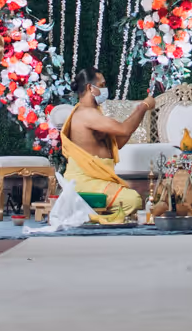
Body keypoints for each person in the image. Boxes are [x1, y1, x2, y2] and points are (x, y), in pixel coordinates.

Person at [59, 68, 151, 222]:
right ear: (90, 88)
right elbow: (124, 129)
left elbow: (118, 143)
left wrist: (136, 117)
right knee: (133, 200)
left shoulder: (94, 113)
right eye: (101, 85)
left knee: (132, 199)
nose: (105, 89)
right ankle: (84, 213)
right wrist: (143, 107)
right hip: (84, 181)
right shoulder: (86, 114)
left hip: (96, 179)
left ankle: (91, 213)